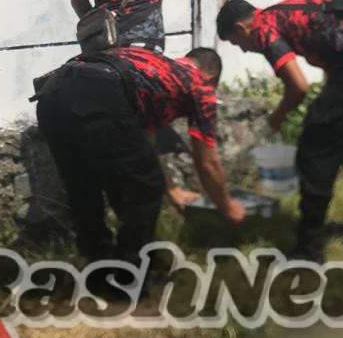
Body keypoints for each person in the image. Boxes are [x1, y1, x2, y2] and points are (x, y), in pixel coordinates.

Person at [216, 0, 343, 263]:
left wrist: (277, 116)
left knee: (315, 152)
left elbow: (298, 87)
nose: (244, 50)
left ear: (241, 28)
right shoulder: (286, 10)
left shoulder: (263, 28)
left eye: (237, 43)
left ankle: (309, 251)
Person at [35, 47, 245, 274]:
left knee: (84, 186)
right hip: (102, 89)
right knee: (144, 192)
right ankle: (128, 278)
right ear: (211, 76)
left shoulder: (154, 68)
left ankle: (98, 270)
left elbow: (145, 147)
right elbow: (208, 163)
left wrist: (173, 190)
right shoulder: (199, 84)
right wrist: (227, 205)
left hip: (52, 93)